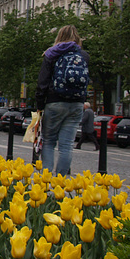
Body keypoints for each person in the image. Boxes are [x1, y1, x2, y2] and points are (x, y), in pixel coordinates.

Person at [36, 25, 90, 176]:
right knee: (66, 145)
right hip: (76, 103)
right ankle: (60, 180)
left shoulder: (51, 54)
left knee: (48, 142)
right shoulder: (83, 56)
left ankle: (46, 180)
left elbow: (42, 82)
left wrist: (40, 105)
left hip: (54, 102)